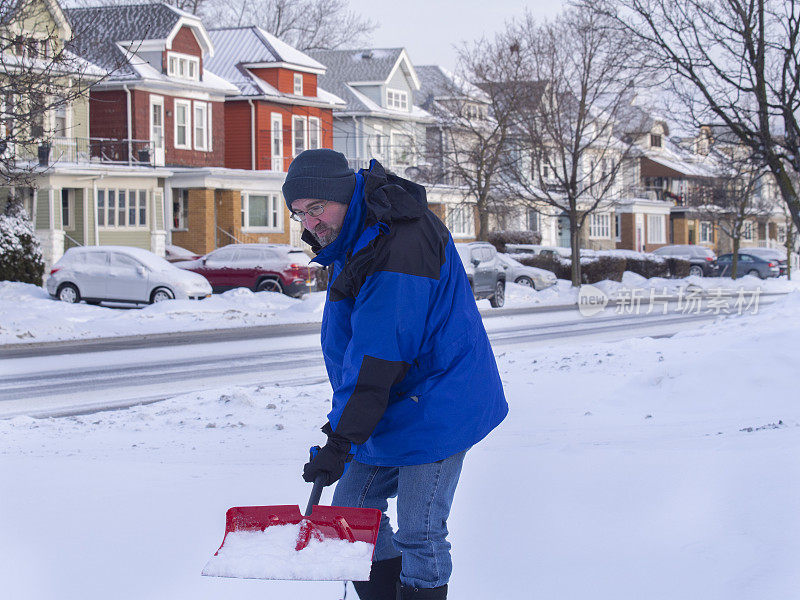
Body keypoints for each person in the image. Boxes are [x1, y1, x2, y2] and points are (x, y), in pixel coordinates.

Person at [282, 149, 508, 600]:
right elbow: (360, 354)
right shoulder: (357, 234)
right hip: (387, 399)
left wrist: (341, 440)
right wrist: (341, 429)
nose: (309, 224)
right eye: (298, 214)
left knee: (420, 529)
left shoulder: (398, 242)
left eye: (315, 209)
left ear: (344, 195)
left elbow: (379, 354)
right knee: (351, 507)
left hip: (441, 400)